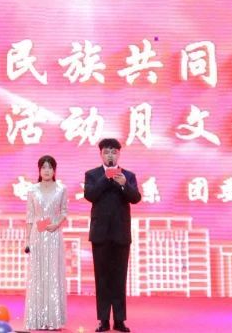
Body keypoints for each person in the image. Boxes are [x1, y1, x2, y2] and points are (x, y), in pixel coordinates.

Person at [83, 138, 140, 332]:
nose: (110, 155)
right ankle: (103, 320)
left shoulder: (128, 175)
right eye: (107, 152)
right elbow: (90, 195)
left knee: (119, 278)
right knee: (102, 278)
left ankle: (120, 320)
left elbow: (136, 198)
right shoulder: (92, 175)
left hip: (121, 233)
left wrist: (124, 185)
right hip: (100, 234)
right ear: (101, 154)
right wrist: (105, 178)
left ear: (119, 154)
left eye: (114, 152)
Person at [25, 155, 68, 331]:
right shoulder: (32, 190)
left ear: (54, 170)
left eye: (50, 167)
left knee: (53, 274)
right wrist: (27, 240)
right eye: (43, 167)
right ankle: (37, 319)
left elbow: (64, 212)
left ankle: (53, 319)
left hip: (53, 235)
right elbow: (30, 217)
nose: (47, 170)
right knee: (38, 276)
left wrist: (56, 224)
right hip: (37, 235)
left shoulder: (61, 189)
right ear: (39, 170)